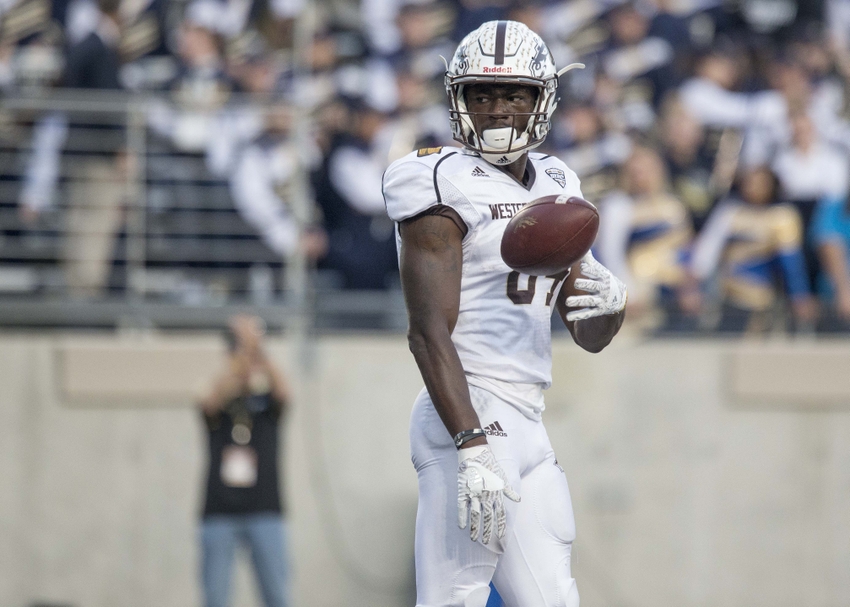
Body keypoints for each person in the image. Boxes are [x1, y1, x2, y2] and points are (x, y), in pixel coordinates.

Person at [382, 20, 627, 607]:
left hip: (527, 413)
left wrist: (612, 301)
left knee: (553, 599)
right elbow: (426, 332)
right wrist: (470, 443)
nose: (497, 109)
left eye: (515, 93)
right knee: (454, 597)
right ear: (457, 99)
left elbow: (586, 333)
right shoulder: (437, 179)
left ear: (542, 100)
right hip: (467, 409)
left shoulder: (559, 180)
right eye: (481, 94)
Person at [198, 315, 290, 607]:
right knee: (215, 597)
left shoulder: (266, 406)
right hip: (219, 511)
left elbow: (285, 392)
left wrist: (258, 348)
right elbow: (208, 401)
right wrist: (240, 356)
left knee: (277, 595)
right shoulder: (221, 402)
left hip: (264, 509)